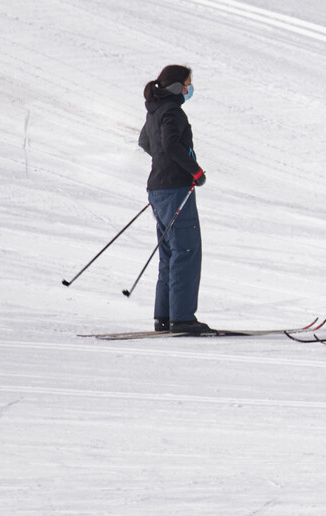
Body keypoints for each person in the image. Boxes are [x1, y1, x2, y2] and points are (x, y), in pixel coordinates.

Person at [139, 65, 211, 335]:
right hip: (176, 189)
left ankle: (164, 317)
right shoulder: (172, 112)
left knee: (169, 251)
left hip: (157, 190)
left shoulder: (155, 112)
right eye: (187, 84)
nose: (189, 89)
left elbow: (146, 142)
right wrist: (195, 171)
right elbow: (170, 145)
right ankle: (182, 318)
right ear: (175, 87)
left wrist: (163, 166)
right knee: (186, 250)